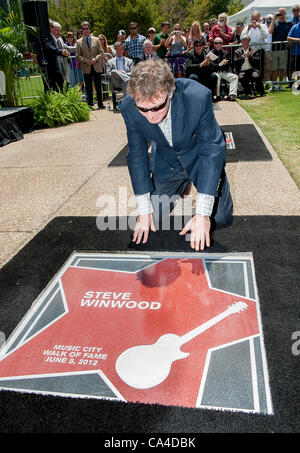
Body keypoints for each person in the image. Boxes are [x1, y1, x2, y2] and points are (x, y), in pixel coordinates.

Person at [120, 58, 233, 251]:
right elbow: (137, 155)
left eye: (157, 107)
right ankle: (181, 183)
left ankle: (204, 182)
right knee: (150, 220)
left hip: (198, 157)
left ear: (170, 92)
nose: (150, 116)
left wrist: (202, 214)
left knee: (219, 218)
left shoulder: (197, 97)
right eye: (143, 109)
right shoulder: (129, 107)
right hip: (167, 161)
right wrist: (144, 208)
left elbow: (212, 149)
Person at [76, 21, 105, 109]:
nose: (85, 30)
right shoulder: (78, 42)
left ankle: (100, 103)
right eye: (83, 29)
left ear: (90, 29)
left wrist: (95, 59)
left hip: (96, 65)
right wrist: (85, 60)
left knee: (98, 85)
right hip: (86, 66)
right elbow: (77, 55)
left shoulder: (96, 39)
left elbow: (101, 52)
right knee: (88, 86)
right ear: (82, 31)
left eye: (87, 28)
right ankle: (90, 103)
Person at [40, 19, 69, 92]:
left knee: (60, 85)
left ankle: (61, 101)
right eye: (52, 26)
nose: (53, 28)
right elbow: (49, 47)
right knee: (50, 86)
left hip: (54, 66)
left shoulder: (52, 36)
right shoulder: (46, 36)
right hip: (48, 66)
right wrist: (60, 52)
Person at [268, 9, 293, 91]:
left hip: (284, 49)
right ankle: (273, 85)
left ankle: (280, 85)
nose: (281, 14)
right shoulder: (274, 23)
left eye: (283, 12)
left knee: (282, 68)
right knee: (274, 69)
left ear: (285, 13)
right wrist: (274, 19)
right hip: (275, 49)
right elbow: (270, 31)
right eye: (280, 12)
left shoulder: (289, 24)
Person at [106, 42, 133, 109]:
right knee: (113, 71)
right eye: (117, 49)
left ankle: (126, 104)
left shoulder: (129, 61)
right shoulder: (110, 62)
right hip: (116, 82)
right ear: (115, 50)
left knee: (125, 81)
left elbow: (133, 73)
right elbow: (108, 74)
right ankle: (127, 104)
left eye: (121, 49)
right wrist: (118, 73)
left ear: (123, 50)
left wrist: (124, 73)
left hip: (126, 82)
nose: (119, 51)